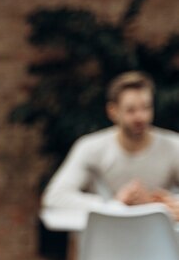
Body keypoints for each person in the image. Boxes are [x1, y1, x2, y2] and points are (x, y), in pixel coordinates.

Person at [42, 71, 179, 219]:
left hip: (162, 239)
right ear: (112, 111)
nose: (141, 117)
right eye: (131, 110)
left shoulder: (173, 146)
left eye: (146, 108)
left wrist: (167, 206)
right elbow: (55, 197)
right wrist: (113, 205)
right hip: (106, 237)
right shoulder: (90, 147)